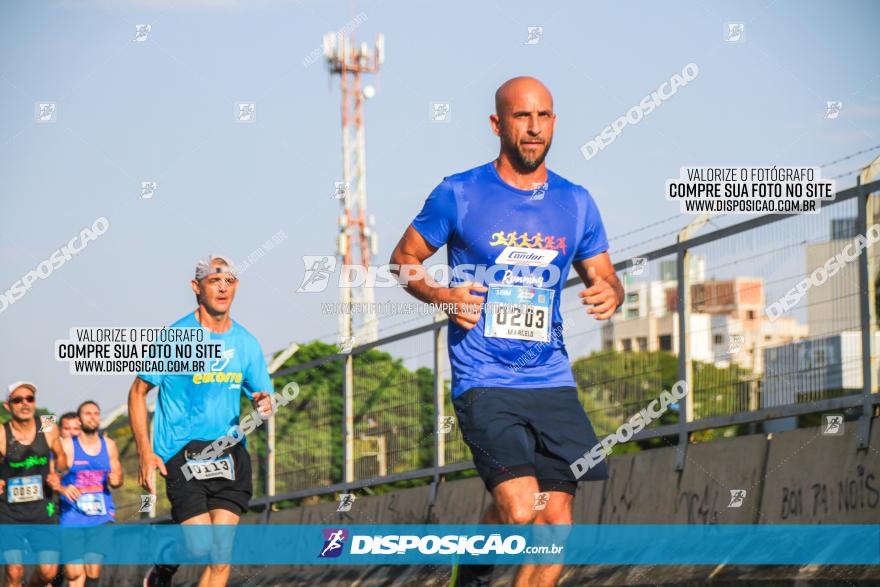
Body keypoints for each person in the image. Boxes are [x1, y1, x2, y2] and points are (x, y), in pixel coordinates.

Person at [390, 77, 623, 587]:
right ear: (497, 124)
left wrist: (611, 292)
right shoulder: (459, 193)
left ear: (554, 123)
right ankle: (471, 570)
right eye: (521, 116)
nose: (534, 127)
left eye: (543, 116)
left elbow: (604, 276)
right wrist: (441, 295)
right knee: (520, 511)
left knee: (556, 522)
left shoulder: (576, 202)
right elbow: (403, 260)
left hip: (552, 381)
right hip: (485, 379)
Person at [128, 255, 273, 587]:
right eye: (214, 280)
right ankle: (166, 560)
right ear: (197, 287)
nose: (223, 287)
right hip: (182, 452)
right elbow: (138, 393)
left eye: (230, 281)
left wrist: (264, 402)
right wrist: (144, 451)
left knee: (221, 556)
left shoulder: (246, 343)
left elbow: (263, 396)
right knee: (199, 545)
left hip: (230, 452)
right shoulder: (177, 337)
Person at [0, 381, 68, 587]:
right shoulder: (2, 433)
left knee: (48, 572)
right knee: (14, 571)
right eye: (17, 400)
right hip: (9, 513)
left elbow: (62, 459)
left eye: (29, 398)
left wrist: (58, 473)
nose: (25, 403)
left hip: (43, 511)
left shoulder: (48, 425)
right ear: (8, 406)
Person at [58, 400, 122, 587]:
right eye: (87, 413)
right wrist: (63, 489)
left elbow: (118, 477)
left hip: (101, 516)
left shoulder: (109, 445)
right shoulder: (67, 446)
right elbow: (51, 476)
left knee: (93, 568)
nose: (92, 417)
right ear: (79, 419)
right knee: (74, 572)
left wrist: (116, 481)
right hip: (72, 514)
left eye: (96, 413)